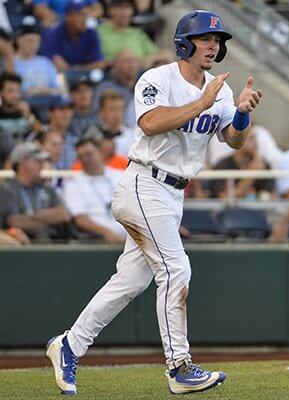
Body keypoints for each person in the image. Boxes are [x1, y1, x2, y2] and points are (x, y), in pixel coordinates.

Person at [45, 10, 263, 395]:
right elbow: (149, 123)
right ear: (184, 42)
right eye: (205, 38)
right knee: (176, 270)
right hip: (144, 182)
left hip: (173, 191)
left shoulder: (220, 88)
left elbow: (233, 140)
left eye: (218, 40)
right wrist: (200, 103)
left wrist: (242, 114)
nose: (213, 45)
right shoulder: (157, 78)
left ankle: (69, 344)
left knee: (129, 282)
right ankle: (179, 367)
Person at [0, 142, 71, 240]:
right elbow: (14, 222)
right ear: (24, 162)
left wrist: (33, 216)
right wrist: (50, 218)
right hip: (24, 246)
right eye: (38, 161)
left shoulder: (46, 188)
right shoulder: (8, 189)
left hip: (54, 243)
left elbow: (64, 214)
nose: (42, 165)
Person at [64, 137, 125, 243]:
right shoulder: (73, 183)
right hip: (98, 237)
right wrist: (105, 232)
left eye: (89, 154)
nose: (85, 160)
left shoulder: (121, 175)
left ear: (100, 153)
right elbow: (80, 219)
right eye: (81, 157)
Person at [39, 0, 105, 72]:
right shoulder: (52, 33)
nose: (85, 19)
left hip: (85, 77)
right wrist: (86, 67)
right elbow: (56, 65)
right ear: (68, 17)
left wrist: (74, 69)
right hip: (58, 78)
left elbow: (99, 64)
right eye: (81, 15)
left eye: (85, 15)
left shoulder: (91, 33)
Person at [210, 128, 275, 199]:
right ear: (239, 140)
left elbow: (272, 197)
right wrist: (251, 174)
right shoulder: (223, 166)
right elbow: (226, 199)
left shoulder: (263, 165)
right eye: (251, 139)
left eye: (255, 138)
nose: (256, 142)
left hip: (257, 209)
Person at [97, 0, 160, 64]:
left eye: (128, 7)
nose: (124, 12)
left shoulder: (137, 33)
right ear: (110, 10)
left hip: (141, 70)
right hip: (109, 71)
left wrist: (148, 60)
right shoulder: (98, 32)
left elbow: (156, 53)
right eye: (120, 7)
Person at [13, 16, 62, 97]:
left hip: (47, 105)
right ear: (19, 40)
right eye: (30, 40)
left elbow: (60, 89)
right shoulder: (10, 63)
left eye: (37, 41)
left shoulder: (45, 62)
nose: (34, 45)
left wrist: (41, 90)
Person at [92, 49, 139, 128]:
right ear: (116, 64)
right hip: (111, 133)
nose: (131, 65)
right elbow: (96, 115)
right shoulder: (104, 87)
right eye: (126, 61)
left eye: (134, 60)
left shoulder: (143, 86)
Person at [0, 72, 37, 164]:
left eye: (17, 91)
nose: (15, 96)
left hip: (28, 158)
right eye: (10, 91)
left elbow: (41, 134)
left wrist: (29, 116)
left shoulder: (28, 111)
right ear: (1, 93)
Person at [87, 89, 136, 157]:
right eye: (112, 109)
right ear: (101, 112)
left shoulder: (134, 138)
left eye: (120, 108)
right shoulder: (92, 136)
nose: (117, 114)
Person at [46, 95, 78, 169]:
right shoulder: (39, 137)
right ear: (50, 113)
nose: (66, 114)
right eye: (61, 109)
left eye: (69, 109)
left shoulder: (76, 140)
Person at [33, 0, 101, 27]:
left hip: (82, 21)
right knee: (47, 22)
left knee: (92, 22)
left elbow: (98, 10)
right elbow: (39, 8)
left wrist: (84, 16)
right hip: (58, 20)